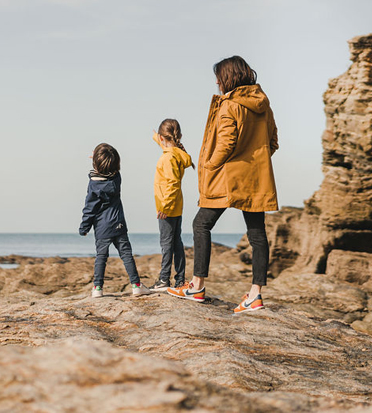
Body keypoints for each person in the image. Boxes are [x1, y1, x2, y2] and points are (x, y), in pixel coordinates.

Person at [167, 56, 278, 314]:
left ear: (228, 78)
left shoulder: (230, 105)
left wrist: (208, 165)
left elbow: (226, 144)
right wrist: (255, 164)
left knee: (200, 224)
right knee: (257, 234)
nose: (217, 82)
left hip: (227, 178)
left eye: (219, 77)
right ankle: (255, 295)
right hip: (255, 178)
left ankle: (196, 286)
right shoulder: (264, 104)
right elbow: (273, 141)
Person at [79, 143, 151, 298]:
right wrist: (102, 160)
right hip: (118, 223)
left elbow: (89, 208)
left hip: (102, 227)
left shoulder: (93, 185)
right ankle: (136, 285)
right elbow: (114, 170)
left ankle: (98, 288)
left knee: (101, 257)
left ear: (95, 165)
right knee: (126, 255)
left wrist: (84, 228)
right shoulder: (116, 179)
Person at [150, 119, 194, 291]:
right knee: (176, 242)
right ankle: (180, 279)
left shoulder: (168, 158)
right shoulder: (176, 154)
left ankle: (163, 280)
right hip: (176, 206)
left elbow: (173, 184)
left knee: (166, 243)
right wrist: (156, 137)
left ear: (163, 137)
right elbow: (167, 146)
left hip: (167, 208)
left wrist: (165, 207)